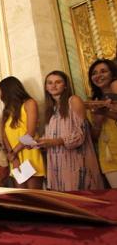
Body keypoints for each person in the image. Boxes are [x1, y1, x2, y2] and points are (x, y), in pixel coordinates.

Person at [37, 70, 104, 191]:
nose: (53, 85)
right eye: (50, 83)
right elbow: (50, 136)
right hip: (57, 163)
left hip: (75, 161)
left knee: (80, 199)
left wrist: (54, 142)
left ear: (65, 85)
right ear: (46, 87)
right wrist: (39, 143)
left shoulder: (73, 100)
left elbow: (80, 134)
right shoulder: (51, 109)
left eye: (58, 82)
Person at [0, 76, 45, 189]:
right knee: (21, 196)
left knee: (34, 197)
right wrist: (13, 157)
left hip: (30, 153)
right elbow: (4, 135)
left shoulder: (29, 103)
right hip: (15, 157)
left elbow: (30, 133)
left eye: (1, 91)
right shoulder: (7, 110)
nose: (0, 94)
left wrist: (14, 152)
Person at [86, 59, 117, 188]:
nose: (98, 75)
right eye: (94, 73)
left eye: (103, 71)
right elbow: (93, 137)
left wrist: (106, 112)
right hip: (108, 156)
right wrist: (98, 123)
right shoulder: (92, 102)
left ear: (112, 73)